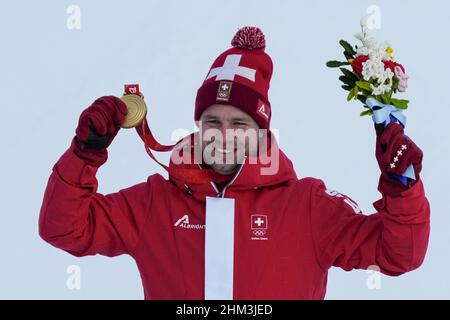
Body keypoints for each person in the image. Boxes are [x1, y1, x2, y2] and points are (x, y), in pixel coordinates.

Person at [39, 26, 430, 299]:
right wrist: (84, 155)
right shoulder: (154, 204)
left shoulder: (306, 206)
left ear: (262, 132)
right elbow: (63, 229)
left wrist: (403, 187)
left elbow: (399, 254)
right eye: (212, 121)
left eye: (239, 123)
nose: (222, 135)